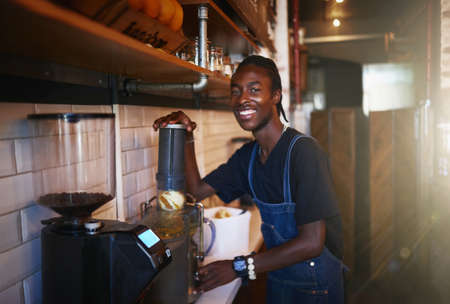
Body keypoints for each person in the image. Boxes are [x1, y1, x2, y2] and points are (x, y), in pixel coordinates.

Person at [153, 55, 345, 304]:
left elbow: (312, 243)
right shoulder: (249, 157)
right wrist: (187, 135)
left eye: (254, 90)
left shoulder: (304, 152)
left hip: (318, 289)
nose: (242, 99)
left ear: (275, 95)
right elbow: (197, 191)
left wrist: (238, 267)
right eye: (236, 91)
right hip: (278, 281)